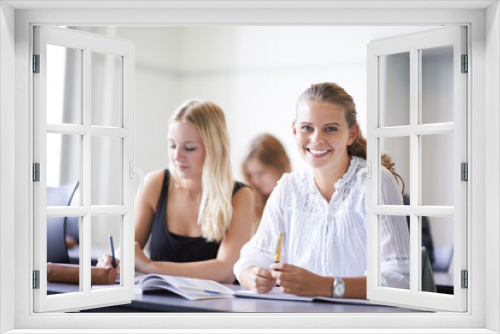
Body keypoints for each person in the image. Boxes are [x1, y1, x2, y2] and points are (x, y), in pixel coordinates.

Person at [233, 82, 410, 298]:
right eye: (307, 128)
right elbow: (253, 256)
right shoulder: (288, 188)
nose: (316, 139)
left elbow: (399, 280)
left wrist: (326, 286)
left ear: (351, 134)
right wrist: (251, 275)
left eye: (330, 128)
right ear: (295, 130)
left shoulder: (375, 182)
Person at [98, 100, 254, 283]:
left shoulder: (240, 196)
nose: (177, 156)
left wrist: (150, 266)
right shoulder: (154, 184)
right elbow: (127, 250)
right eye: (172, 145)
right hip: (157, 305)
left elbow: (226, 270)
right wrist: (113, 260)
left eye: (189, 148)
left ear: (215, 149)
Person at [242, 134, 291, 233]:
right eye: (250, 175)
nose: (255, 181)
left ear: (280, 165)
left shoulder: (297, 201)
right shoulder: (251, 205)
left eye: (261, 172)